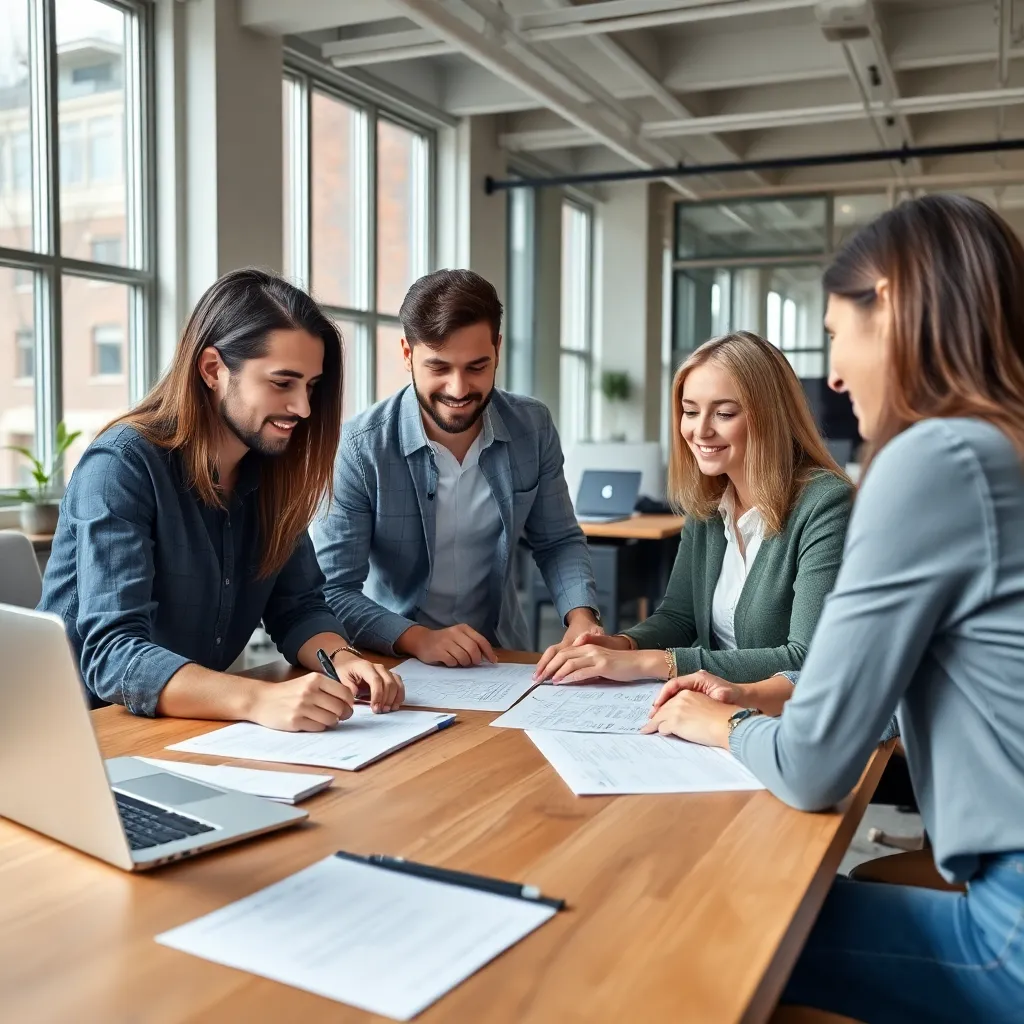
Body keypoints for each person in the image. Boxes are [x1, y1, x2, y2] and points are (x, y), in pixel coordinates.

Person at [643, 194, 1024, 1023]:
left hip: (1011, 933)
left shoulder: (936, 457)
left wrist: (726, 724)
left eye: (835, 334)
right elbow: (892, 700)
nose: (838, 375)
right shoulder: (1002, 448)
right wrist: (761, 693)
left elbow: (814, 769)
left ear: (889, 304)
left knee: (688, 909)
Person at [39, 269, 403, 730]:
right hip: (82, 732)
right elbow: (113, 655)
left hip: (185, 728)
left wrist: (342, 657)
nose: (303, 408)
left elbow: (298, 606)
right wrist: (257, 699)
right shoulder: (121, 466)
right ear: (213, 369)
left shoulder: (271, 469)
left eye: (310, 386)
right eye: (282, 383)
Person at [314, 268, 600, 666]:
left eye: (477, 367)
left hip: (499, 654)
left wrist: (582, 617)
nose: (459, 389)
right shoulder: (360, 448)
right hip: (394, 658)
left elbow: (558, 541)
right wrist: (418, 639)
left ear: (498, 349)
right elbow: (332, 590)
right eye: (439, 368)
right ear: (407, 354)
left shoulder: (532, 427)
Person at [534, 331, 852, 686]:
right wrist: (621, 645)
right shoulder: (709, 504)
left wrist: (654, 662)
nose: (700, 431)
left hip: (777, 712)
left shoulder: (825, 503)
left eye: (724, 413)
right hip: (710, 703)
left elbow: (805, 657)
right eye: (690, 412)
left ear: (770, 416)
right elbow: (679, 617)